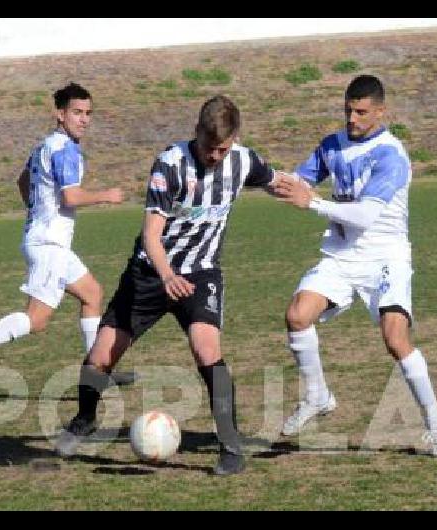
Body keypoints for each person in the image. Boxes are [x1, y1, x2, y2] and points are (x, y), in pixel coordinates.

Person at [54, 94, 290, 476]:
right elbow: (151, 234)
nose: (215, 156)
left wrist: (309, 197)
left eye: (223, 149)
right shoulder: (171, 165)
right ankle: (84, 419)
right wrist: (166, 276)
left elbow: (277, 180)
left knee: (207, 348)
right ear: (195, 132)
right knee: (100, 357)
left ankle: (231, 447)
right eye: (209, 148)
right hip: (150, 274)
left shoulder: (243, 160)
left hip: (200, 274)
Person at [272, 75, 437, 457]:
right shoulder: (331, 146)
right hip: (341, 256)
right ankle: (318, 396)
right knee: (297, 315)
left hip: (385, 258)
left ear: (381, 111)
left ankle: (436, 425)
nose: (352, 119)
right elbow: (295, 182)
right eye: (347, 110)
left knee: (395, 340)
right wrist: (253, 171)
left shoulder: (391, 155)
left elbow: (366, 216)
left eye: (361, 112)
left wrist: (315, 204)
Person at [0, 83, 136, 388]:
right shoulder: (65, 150)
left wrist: (38, 214)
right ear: (60, 114)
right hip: (49, 245)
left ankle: (96, 372)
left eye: (88, 113)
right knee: (37, 319)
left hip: (46, 240)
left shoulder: (44, 146)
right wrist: (106, 195)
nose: (84, 119)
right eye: (77, 113)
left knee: (92, 294)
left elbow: (23, 182)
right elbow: (71, 197)